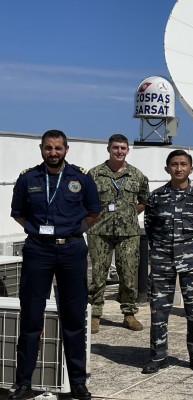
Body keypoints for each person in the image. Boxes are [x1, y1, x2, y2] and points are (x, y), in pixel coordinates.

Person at [9, 129, 99, 400]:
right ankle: (23, 382)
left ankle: (78, 383)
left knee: (74, 319)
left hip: (71, 250)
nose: (53, 152)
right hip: (38, 251)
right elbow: (18, 214)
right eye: (48, 148)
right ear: (41, 149)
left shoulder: (81, 178)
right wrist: (38, 232)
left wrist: (72, 230)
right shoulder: (28, 178)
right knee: (31, 318)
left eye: (58, 148)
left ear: (66, 149)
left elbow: (94, 212)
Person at [142, 150, 193, 374]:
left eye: (183, 164)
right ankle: (158, 356)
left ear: (191, 169)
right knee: (159, 311)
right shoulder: (156, 197)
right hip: (162, 261)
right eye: (174, 164)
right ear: (167, 169)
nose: (179, 168)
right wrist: (161, 250)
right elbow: (150, 227)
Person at [87, 133, 150, 334]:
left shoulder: (137, 175)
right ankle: (95, 315)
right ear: (108, 149)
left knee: (128, 274)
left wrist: (129, 214)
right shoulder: (94, 174)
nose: (119, 151)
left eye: (123, 148)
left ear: (128, 150)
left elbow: (143, 200)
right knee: (98, 275)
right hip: (99, 231)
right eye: (115, 148)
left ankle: (129, 314)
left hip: (129, 233)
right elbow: (85, 201)